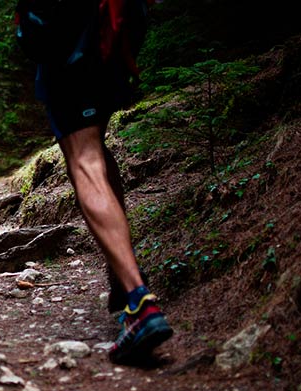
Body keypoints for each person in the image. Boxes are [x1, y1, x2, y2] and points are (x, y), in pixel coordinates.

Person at [32, 0, 172, 364]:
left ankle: (139, 301)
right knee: (95, 145)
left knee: (85, 159)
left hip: (73, 26)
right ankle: (120, 273)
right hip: (121, 20)